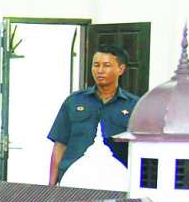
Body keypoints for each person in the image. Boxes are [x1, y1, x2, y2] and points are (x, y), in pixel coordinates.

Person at [47, 45, 138, 183]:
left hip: (115, 181)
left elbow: (140, 150)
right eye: (96, 65)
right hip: (73, 179)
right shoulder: (74, 101)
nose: (100, 70)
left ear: (121, 69)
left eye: (106, 65)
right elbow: (59, 145)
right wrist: (51, 185)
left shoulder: (134, 105)